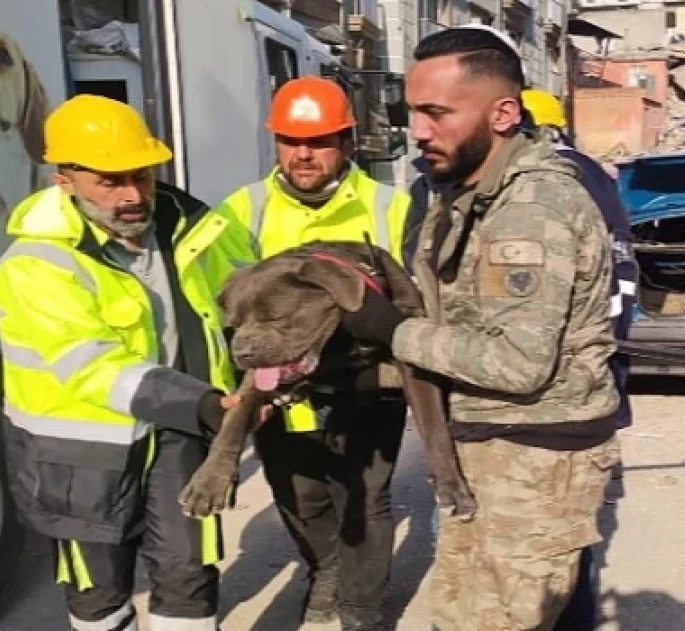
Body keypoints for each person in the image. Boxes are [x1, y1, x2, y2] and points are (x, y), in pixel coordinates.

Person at [336, 25, 622, 630]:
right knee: (460, 613)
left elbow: (518, 364)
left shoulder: (531, 207)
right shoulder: (471, 192)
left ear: (502, 113)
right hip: (489, 447)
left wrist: (392, 330)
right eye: (413, 112)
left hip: (532, 458)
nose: (418, 130)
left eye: (436, 113)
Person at [0, 94, 260, 630]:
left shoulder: (193, 227)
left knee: (189, 581)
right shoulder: (34, 265)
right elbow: (90, 365)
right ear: (63, 179)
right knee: (98, 596)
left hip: (181, 440)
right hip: (81, 457)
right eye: (109, 182)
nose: (133, 194)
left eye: (141, 174)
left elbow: (250, 297)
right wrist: (204, 403)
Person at [207, 75, 412, 630]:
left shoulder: (390, 207)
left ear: (347, 142)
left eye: (320, 140)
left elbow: (413, 300)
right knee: (301, 496)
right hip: (283, 386)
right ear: (275, 144)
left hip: (369, 386)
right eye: (291, 141)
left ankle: (363, 612)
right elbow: (221, 309)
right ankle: (326, 571)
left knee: (365, 502)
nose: (304, 153)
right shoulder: (241, 211)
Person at [520, 86, 637, 631]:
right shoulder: (598, 181)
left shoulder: (547, 187)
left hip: (556, 385)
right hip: (599, 371)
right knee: (573, 532)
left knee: (550, 539)